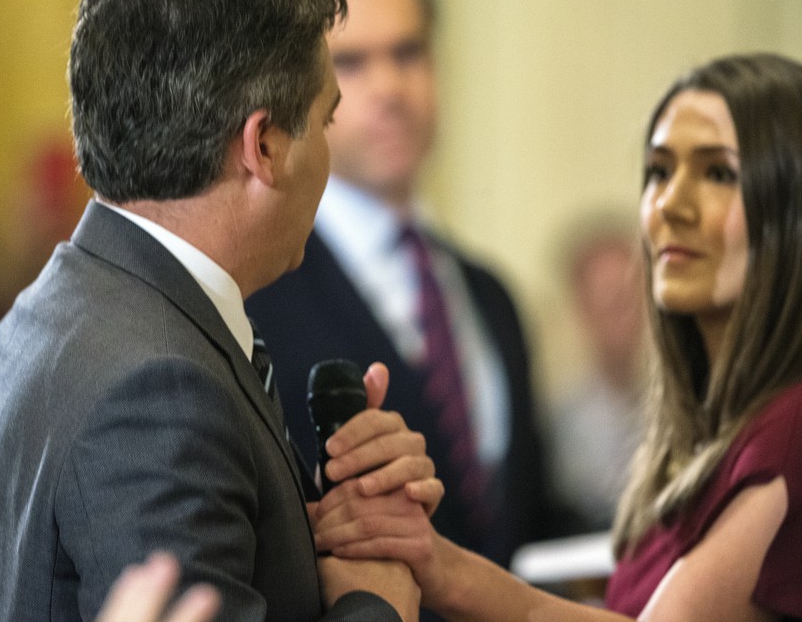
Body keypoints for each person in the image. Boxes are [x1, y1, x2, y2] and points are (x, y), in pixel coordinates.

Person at [0, 0, 440, 620]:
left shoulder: (57, 305)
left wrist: (324, 520)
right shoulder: (157, 392)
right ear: (263, 145)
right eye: (326, 120)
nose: (327, 147)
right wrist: (378, 595)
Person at [312, 53, 802, 621]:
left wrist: (439, 566)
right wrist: (430, 556)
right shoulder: (710, 434)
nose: (670, 203)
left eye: (718, 172)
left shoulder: (788, 431)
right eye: (659, 171)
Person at [245, 0, 549, 565]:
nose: (389, 87)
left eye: (408, 52)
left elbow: (525, 514)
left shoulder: (491, 297)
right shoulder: (257, 295)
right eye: (352, 62)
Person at [545, 213, 646, 533]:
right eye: (604, 300)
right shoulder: (557, 422)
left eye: (626, 299)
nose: (617, 316)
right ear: (581, 306)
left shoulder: (683, 408)